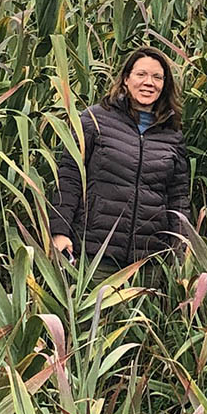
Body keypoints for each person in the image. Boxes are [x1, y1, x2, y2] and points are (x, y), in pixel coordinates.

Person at [48, 45, 191, 285]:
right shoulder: (94, 120)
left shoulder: (172, 136)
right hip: (96, 254)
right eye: (141, 74)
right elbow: (70, 178)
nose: (149, 82)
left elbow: (177, 198)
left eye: (157, 77)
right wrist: (59, 231)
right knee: (93, 321)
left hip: (148, 261)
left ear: (165, 85)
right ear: (126, 79)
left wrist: (182, 246)